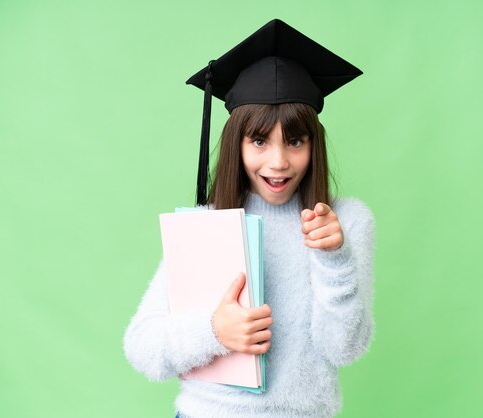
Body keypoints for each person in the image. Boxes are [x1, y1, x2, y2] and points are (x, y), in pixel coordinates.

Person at [123, 19, 375, 418]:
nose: (279, 162)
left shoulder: (345, 222)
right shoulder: (209, 224)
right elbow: (143, 348)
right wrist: (214, 332)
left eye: (295, 141)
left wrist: (334, 258)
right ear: (236, 143)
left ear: (314, 143)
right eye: (259, 140)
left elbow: (344, 348)